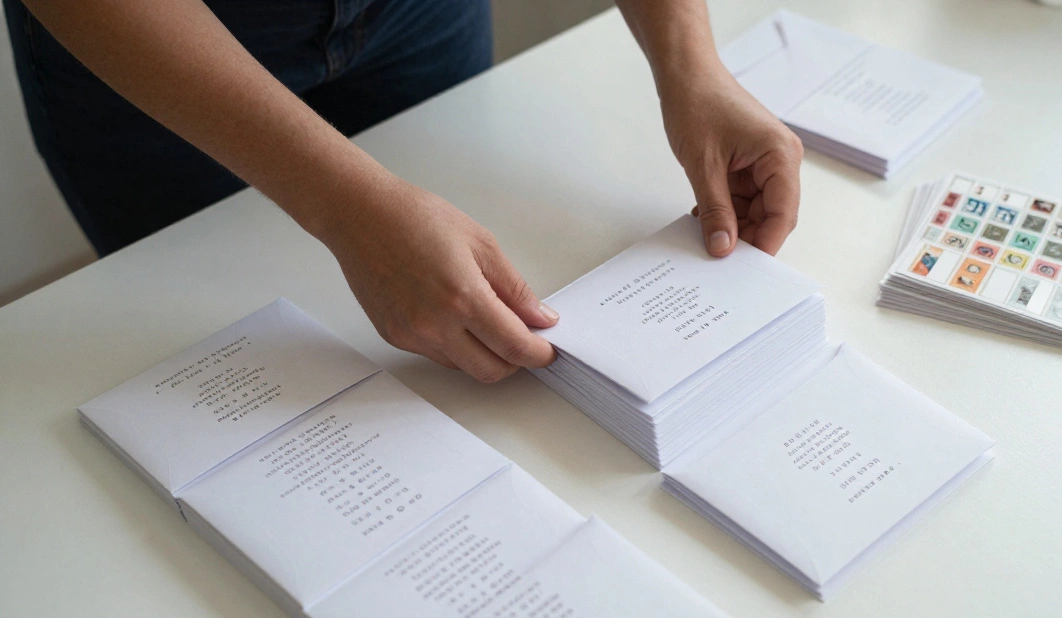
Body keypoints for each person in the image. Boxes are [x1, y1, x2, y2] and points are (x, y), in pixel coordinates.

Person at [4, 0, 803, 382]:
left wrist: (690, 63)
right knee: (204, 368)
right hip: (167, 40)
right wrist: (346, 208)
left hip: (419, 15)